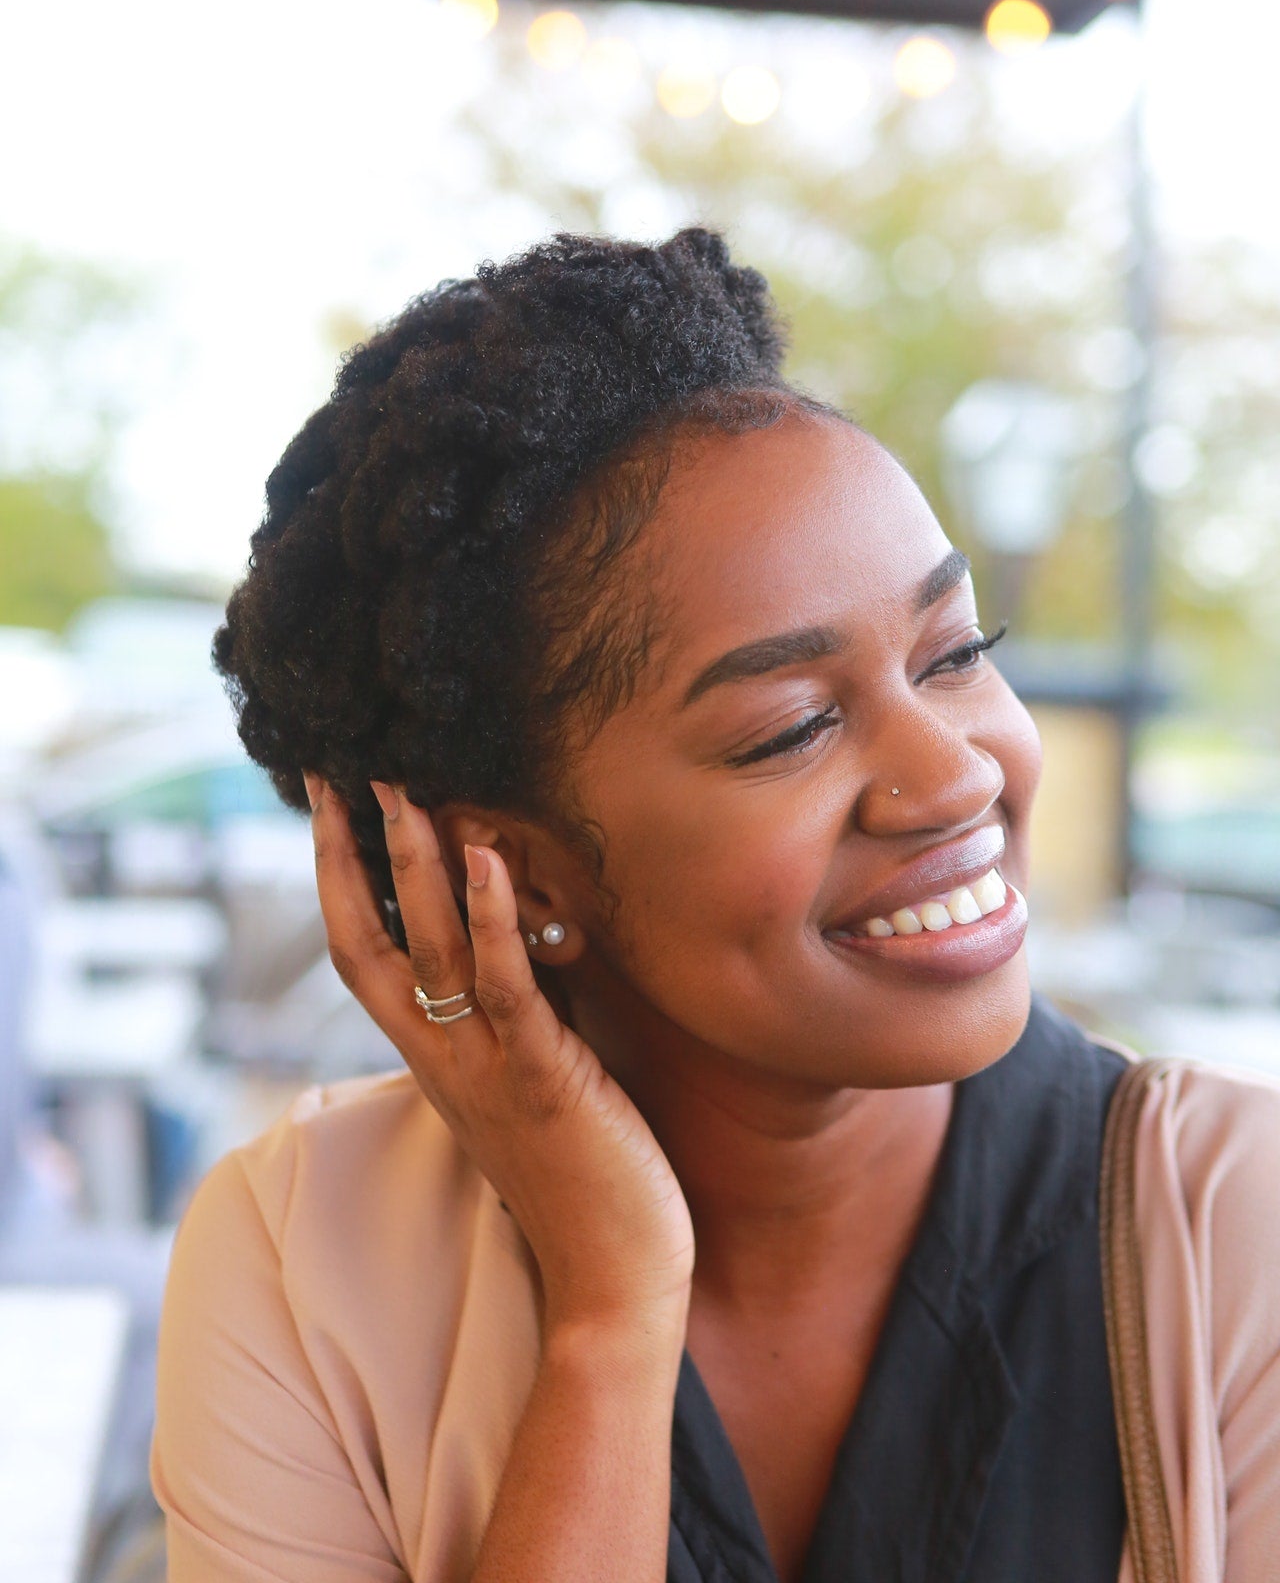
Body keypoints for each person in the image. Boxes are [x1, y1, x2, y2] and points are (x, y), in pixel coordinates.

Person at [152, 229, 1280, 1583]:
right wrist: (611, 1315)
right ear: (510, 871)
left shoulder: (1231, 1225)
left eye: (957, 652)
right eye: (789, 729)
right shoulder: (307, 1260)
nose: (952, 771)